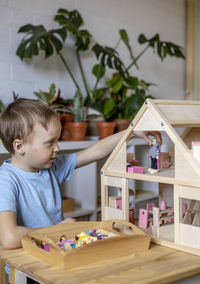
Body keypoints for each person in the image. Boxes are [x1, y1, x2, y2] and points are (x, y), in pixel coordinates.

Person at [0, 98, 162, 249]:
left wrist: (131, 132)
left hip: (56, 248)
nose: (57, 148)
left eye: (57, 141)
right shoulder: (6, 180)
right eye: (50, 142)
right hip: (28, 261)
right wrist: (54, 230)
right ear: (20, 146)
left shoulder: (51, 166)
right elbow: (9, 238)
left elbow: (94, 151)